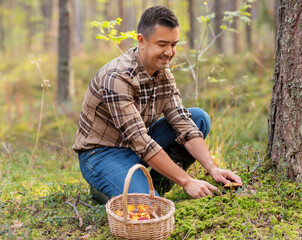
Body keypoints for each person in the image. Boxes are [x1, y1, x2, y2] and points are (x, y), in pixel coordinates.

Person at [73, 6, 242, 204]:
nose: (169, 52)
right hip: (102, 154)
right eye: (162, 44)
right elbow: (140, 141)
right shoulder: (117, 77)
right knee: (149, 204)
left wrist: (212, 168)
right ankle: (107, 187)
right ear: (141, 41)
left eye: (174, 44)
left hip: (138, 145)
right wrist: (187, 181)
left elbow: (183, 122)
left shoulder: (163, 74)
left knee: (198, 119)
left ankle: (155, 184)